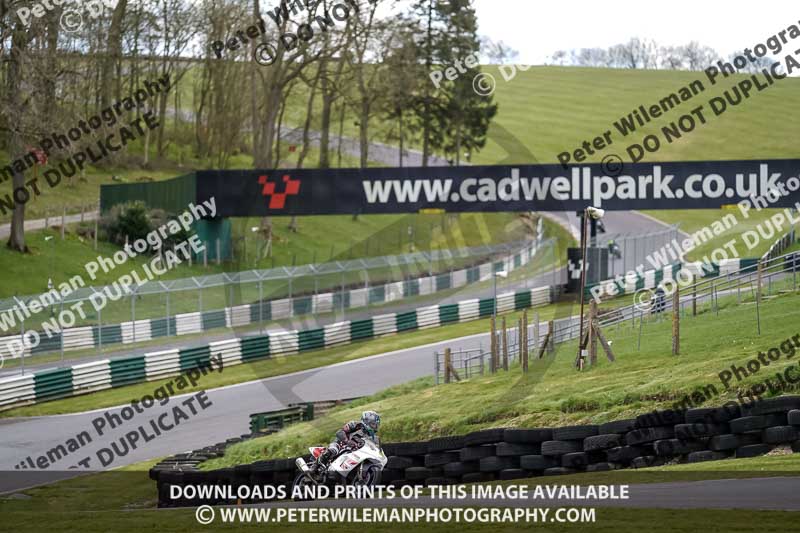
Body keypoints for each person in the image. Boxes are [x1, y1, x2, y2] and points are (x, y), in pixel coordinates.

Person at [313, 411, 381, 474]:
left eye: (376, 425)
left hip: (355, 453)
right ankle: (314, 467)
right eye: (373, 424)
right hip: (341, 444)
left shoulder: (374, 438)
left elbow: (377, 449)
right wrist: (347, 441)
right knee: (333, 450)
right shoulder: (355, 425)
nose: (375, 427)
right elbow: (339, 432)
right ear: (366, 421)